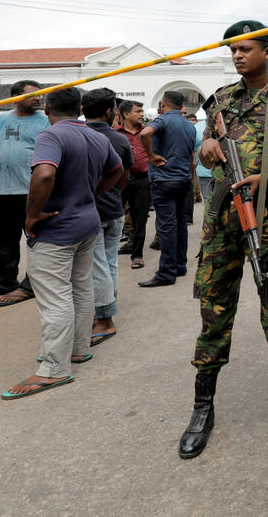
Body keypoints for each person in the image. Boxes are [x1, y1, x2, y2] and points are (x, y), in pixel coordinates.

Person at [179, 20, 268, 464]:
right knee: (213, 311)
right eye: (233, 51)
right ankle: (202, 408)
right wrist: (206, 147)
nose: (238, 56)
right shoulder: (221, 99)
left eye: (245, 49)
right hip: (221, 223)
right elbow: (208, 147)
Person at [1, 87, 122, 400]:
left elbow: (44, 174)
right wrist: (91, 195)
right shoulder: (96, 136)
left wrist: (31, 215)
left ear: (47, 109)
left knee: (55, 298)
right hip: (86, 222)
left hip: (56, 229)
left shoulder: (51, 135)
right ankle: (78, 349)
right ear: (80, 108)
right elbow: (117, 170)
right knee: (80, 289)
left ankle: (54, 368)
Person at [82, 88, 134, 346]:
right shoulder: (119, 139)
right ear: (110, 112)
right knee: (109, 262)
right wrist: (113, 194)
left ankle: (104, 317)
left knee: (98, 265)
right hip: (113, 206)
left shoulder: (79, 136)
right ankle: (106, 308)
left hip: (91, 209)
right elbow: (124, 175)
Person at [0, 80, 48, 306]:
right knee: (3, 240)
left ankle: (32, 284)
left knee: (35, 238)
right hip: (1, 189)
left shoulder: (45, 121)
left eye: (40, 94)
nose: (38, 98)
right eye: (33, 95)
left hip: (30, 190)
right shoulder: (0, 119)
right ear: (16, 97)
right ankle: (6, 282)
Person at [138, 91, 196, 287]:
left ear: (163, 104)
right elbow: (191, 156)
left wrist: (151, 156)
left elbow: (144, 133)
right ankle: (179, 265)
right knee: (180, 224)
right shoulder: (189, 125)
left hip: (164, 180)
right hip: (183, 179)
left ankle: (166, 272)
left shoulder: (162, 120)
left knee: (167, 227)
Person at [116, 100, 150, 269]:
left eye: (142, 111)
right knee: (114, 217)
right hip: (119, 180)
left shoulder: (147, 132)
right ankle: (108, 252)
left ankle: (137, 255)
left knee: (140, 219)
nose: (142, 114)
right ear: (126, 114)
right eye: (138, 111)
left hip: (142, 180)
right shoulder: (115, 134)